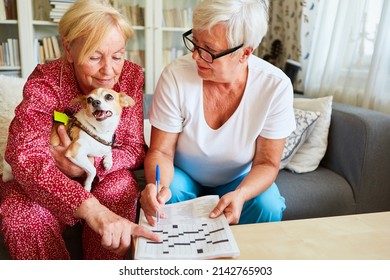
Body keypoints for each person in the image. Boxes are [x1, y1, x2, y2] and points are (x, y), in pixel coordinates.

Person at [0, 0, 160, 260]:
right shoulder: (46, 81)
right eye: (94, 57)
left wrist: (86, 159)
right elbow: (24, 155)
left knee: (119, 190)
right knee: (23, 216)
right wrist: (87, 207)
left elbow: (132, 148)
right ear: (68, 48)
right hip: (46, 177)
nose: (109, 71)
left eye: (118, 56)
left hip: (103, 173)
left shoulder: (130, 76)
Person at [140, 0, 296, 226]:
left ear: (244, 53)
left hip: (237, 179)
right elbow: (161, 151)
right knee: (167, 197)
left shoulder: (275, 86)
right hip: (183, 175)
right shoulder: (175, 75)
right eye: (195, 42)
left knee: (267, 205)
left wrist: (240, 195)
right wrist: (157, 188)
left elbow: (267, 163)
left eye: (209, 51)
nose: (195, 56)